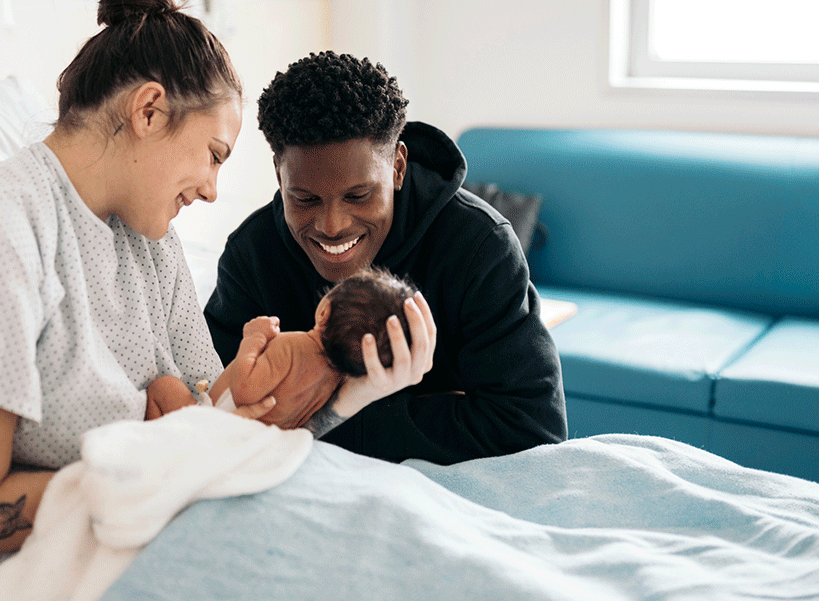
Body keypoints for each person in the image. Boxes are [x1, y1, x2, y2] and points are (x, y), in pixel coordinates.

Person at [0, 0, 432, 601]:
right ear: (148, 110)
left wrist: (343, 394)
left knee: (379, 546)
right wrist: (151, 458)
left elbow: (209, 427)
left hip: (128, 535)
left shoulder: (151, 244)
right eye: (213, 155)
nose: (209, 189)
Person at [205, 51, 567, 465]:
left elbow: (534, 429)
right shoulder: (253, 253)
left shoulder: (480, 247)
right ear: (278, 175)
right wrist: (438, 406)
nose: (332, 225)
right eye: (304, 198)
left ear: (397, 167)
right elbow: (220, 412)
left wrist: (335, 412)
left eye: (358, 196)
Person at [206, 267, 418, 426]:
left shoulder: (291, 347)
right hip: (264, 443)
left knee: (172, 386)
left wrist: (254, 338)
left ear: (324, 311)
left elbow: (244, 393)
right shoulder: (334, 380)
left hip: (220, 419)